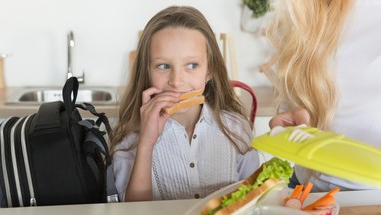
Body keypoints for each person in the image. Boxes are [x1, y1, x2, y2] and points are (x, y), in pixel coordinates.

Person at [110, 6, 260, 201]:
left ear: (210, 71)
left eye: (192, 65)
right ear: (146, 71)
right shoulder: (129, 140)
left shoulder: (237, 129)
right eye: (163, 66)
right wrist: (146, 144)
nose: (177, 81)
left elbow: (254, 200)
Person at [265, 0, 381, 192]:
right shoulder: (307, 10)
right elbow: (296, 109)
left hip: (371, 200)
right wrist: (290, 123)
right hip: (304, 190)